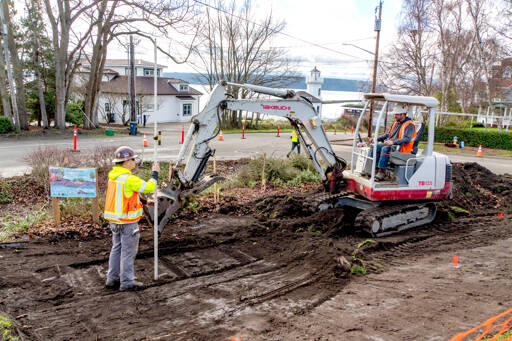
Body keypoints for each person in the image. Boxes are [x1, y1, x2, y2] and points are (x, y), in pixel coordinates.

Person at [103, 146, 160, 291]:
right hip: (127, 223)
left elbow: (125, 197)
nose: (134, 161)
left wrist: (145, 202)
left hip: (114, 221)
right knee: (128, 252)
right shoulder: (128, 179)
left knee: (116, 249)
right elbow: (148, 187)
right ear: (127, 161)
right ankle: (127, 283)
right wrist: (155, 174)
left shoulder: (113, 178)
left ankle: (112, 279)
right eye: (133, 159)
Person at [372, 104, 417, 181]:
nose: (394, 116)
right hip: (393, 145)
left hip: (402, 149)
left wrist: (392, 142)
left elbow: (407, 139)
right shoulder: (396, 123)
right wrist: (377, 138)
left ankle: (382, 172)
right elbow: (388, 134)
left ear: (403, 114)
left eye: (396, 114)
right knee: (375, 146)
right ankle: (373, 169)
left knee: (385, 149)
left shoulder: (409, 125)